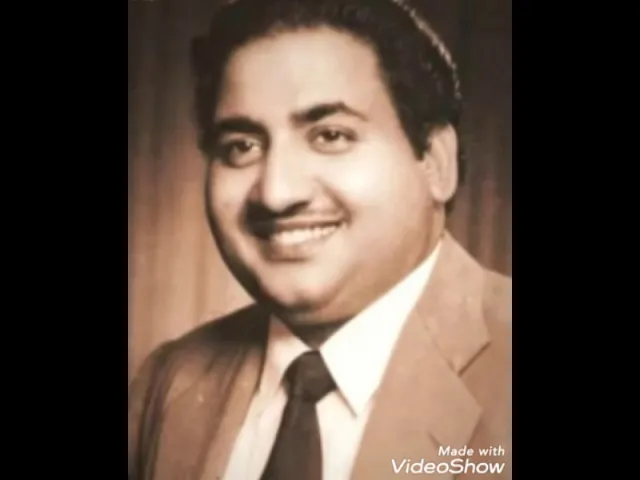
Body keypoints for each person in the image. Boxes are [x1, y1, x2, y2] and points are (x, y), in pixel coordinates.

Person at [128, 0, 512, 479]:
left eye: (330, 135)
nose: (276, 193)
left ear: (436, 162)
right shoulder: (167, 383)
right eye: (241, 146)